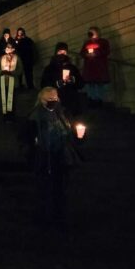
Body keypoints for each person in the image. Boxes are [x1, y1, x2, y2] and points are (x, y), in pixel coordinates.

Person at [24, 87, 80, 227]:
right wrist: (33, 144)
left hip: (62, 157)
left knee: (61, 189)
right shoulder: (35, 116)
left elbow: (71, 134)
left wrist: (79, 136)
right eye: (48, 99)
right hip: (44, 157)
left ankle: (61, 218)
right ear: (41, 100)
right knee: (45, 189)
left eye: (54, 98)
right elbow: (26, 138)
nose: (52, 101)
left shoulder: (63, 114)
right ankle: (45, 219)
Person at [41, 42, 84, 118]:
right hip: (56, 103)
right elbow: (44, 85)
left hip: (72, 102)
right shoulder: (49, 68)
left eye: (64, 52)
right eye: (60, 52)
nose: (62, 54)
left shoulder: (72, 68)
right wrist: (57, 84)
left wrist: (73, 80)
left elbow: (81, 84)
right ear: (56, 53)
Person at [80, 26, 110, 107]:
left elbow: (106, 51)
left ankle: (99, 100)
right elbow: (82, 53)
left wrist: (96, 53)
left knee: (99, 85)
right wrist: (87, 54)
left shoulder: (103, 42)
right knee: (90, 85)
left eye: (92, 32)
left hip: (99, 68)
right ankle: (92, 99)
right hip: (89, 68)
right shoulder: (86, 43)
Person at [0, 42, 22, 121]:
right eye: (7, 47)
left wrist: (12, 72)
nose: (8, 48)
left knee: (11, 99)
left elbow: (20, 69)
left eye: (10, 47)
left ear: (13, 49)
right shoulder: (1, 58)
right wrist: (1, 72)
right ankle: (5, 115)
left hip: (13, 82)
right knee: (4, 98)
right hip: (3, 81)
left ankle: (11, 115)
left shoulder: (17, 58)